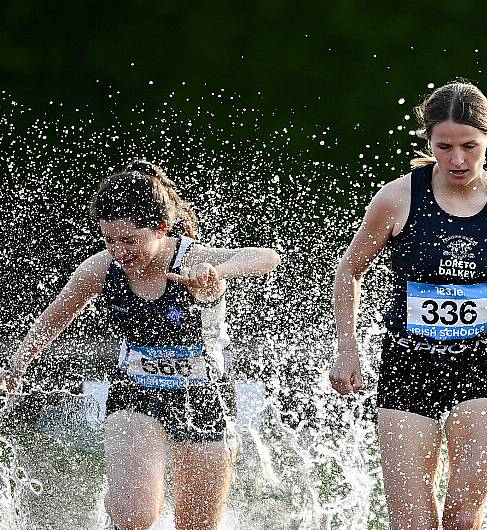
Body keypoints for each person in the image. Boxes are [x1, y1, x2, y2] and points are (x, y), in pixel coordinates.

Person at [0, 160, 281, 530]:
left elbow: (265, 257)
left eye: (130, 240)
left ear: (161, 229)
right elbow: (54, 317)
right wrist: (18, 364)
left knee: (196, 525)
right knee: (132, 514)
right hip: (135, 391)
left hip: (205, 395)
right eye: (110, 240)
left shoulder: (191, 257)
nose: (120, 251)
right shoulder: (101, 268)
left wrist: (216, 273)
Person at [330, 81, 487, 530]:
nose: (457, 160)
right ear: (427, 140)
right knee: (411, 521)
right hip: (409, 360)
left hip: (483, 363)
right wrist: (347, 347)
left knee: (463, 520)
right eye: (444, 146)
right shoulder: (396, 198)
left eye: (470, 146)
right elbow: (348, 271)